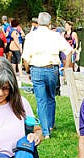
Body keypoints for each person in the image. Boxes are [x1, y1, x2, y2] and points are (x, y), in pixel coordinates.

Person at [21, 11, 72, 139]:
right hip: (52, 69)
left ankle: (45, 132)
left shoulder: (31, 36)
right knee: (51, 97)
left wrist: (28, 70)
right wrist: (66, 68)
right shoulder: (56, 35)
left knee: (41, 100)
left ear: (38, 22)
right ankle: (50, 124)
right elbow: (69, 50)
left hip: (36, 68)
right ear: (50, 23)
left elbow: (25, 58)